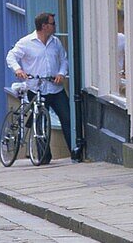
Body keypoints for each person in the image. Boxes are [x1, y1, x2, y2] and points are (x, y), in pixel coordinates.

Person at [6, 12, 80, 164]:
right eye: (53, 24)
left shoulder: (56, 42)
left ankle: (75, 151)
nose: (55, 26)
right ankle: (44, 156)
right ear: (44, 26)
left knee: (67, 118)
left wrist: (61, 73)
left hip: (55, 88)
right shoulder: (26, 42)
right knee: (40, 123)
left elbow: (63, 60)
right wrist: (18, 69)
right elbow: (11, 56)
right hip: (36, 88)